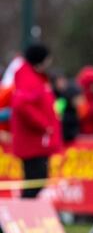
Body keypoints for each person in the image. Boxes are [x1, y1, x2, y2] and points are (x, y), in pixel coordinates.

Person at [10, 43, 62, 198]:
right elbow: (22, 105)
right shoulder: (29, 79)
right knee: (34, 182)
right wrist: (44, 125)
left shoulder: (34, 78)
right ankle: (23, 214)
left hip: (37, 142)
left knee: (36, 182)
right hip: (33, 143)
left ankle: (25, 213)